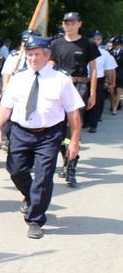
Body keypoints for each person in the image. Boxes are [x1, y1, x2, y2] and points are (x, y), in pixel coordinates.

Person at [0, 35, 84, 239]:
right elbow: (6, 106)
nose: (32, 59)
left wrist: (75, 140)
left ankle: (35, 220)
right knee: (15, 170)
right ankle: (31, 196)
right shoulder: (18, 77)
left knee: (43, 178)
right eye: (29, 55)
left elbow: (73, 113)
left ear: (47, 55)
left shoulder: (61, 79)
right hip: (21, 131)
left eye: (36, 55)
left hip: (48, 134)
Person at [49, 12, 100, 185]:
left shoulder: (88, 44)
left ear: (79, 24)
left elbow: (93, 70)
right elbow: (50, 67)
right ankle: (65, 159)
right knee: (60, 128)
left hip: (79, 87)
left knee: (74, 125)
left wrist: (93, 93)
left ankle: (72, 166)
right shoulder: (56, 44)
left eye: (72, 23)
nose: (68, 26)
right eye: (66, 23)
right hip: (60, 87)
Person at [86, 30, 117, 132]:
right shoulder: (84, 50)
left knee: (96, 101)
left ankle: (93, 124)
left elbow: (108, 69)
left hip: (98, 79)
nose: (96, 41)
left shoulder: (104, 53)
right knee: (83, 101)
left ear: (101, 41)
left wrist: (109, 82)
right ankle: (86, 121)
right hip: (84, 79)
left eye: (98, 39)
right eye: (93, 39)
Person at [111, 36, 123, 114]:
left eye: (118, 44)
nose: (116, 46)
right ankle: (113, 104)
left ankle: (114, 108)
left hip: (121, 74)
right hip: (111, 74)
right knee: (111, 91)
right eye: (115, 44)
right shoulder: (109, 52)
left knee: (119, 91)